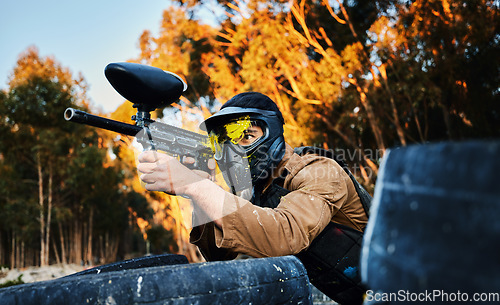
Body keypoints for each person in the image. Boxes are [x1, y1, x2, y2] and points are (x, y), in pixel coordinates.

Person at [137, 92, 370, 304]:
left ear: (272, 132)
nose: (234, 152)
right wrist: (202, 190)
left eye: (246, 136)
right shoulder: (255, 191)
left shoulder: (318, 171)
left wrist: (197, 186)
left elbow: (285, 235)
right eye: (225, 143)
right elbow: (219, 255)